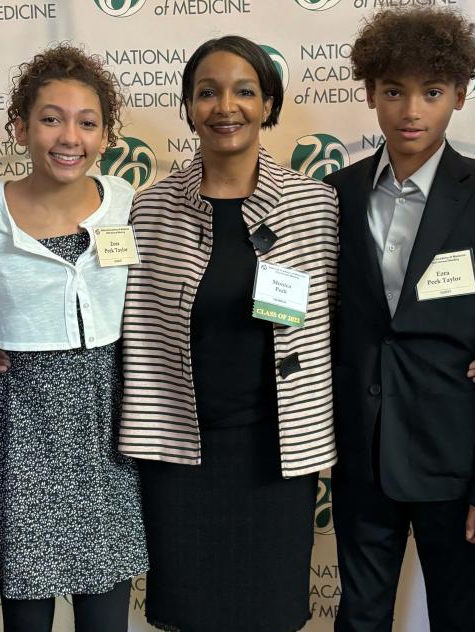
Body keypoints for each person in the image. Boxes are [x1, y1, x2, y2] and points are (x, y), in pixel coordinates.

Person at [116, 35, 338, 632]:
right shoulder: (151, 209)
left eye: (245, 91)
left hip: (275, 451)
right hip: (181, 452)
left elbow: (348, 319)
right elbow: (113, 315)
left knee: (269, 612)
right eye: (207, 92)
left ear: (269, 104)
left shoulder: (315, 205)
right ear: (188, 107)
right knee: (188, 612)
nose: (225, 107)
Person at [325, 6, 475, 632]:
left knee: (459, 613)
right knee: (358, 614)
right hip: (361, 450)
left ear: (459, 95)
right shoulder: (335, 193)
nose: (411, 111)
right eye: (393, 91)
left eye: (431, 92)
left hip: (455, 458)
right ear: (370, 94)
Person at [0, 45, 147, 632]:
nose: (69, 137)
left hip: (105, 423)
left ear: (106, 135)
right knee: (26, 614)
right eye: (51, 118)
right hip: (19, 425)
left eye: (87, 122)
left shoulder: (127, 204)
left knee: (106, 613)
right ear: (21, 127)